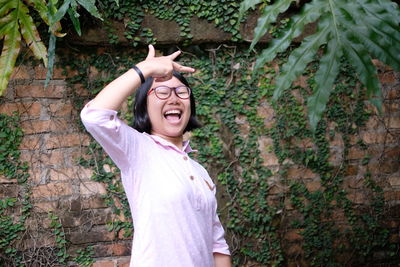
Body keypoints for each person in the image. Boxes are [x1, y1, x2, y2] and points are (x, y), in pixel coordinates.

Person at [80, 45, 231, 267]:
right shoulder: (139, 150)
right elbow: (94, 116)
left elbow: (217, 245)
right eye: (162, 92)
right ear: (144, 107)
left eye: (181, 92)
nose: (174, 98)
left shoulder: (200, 172)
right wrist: (145, 69)